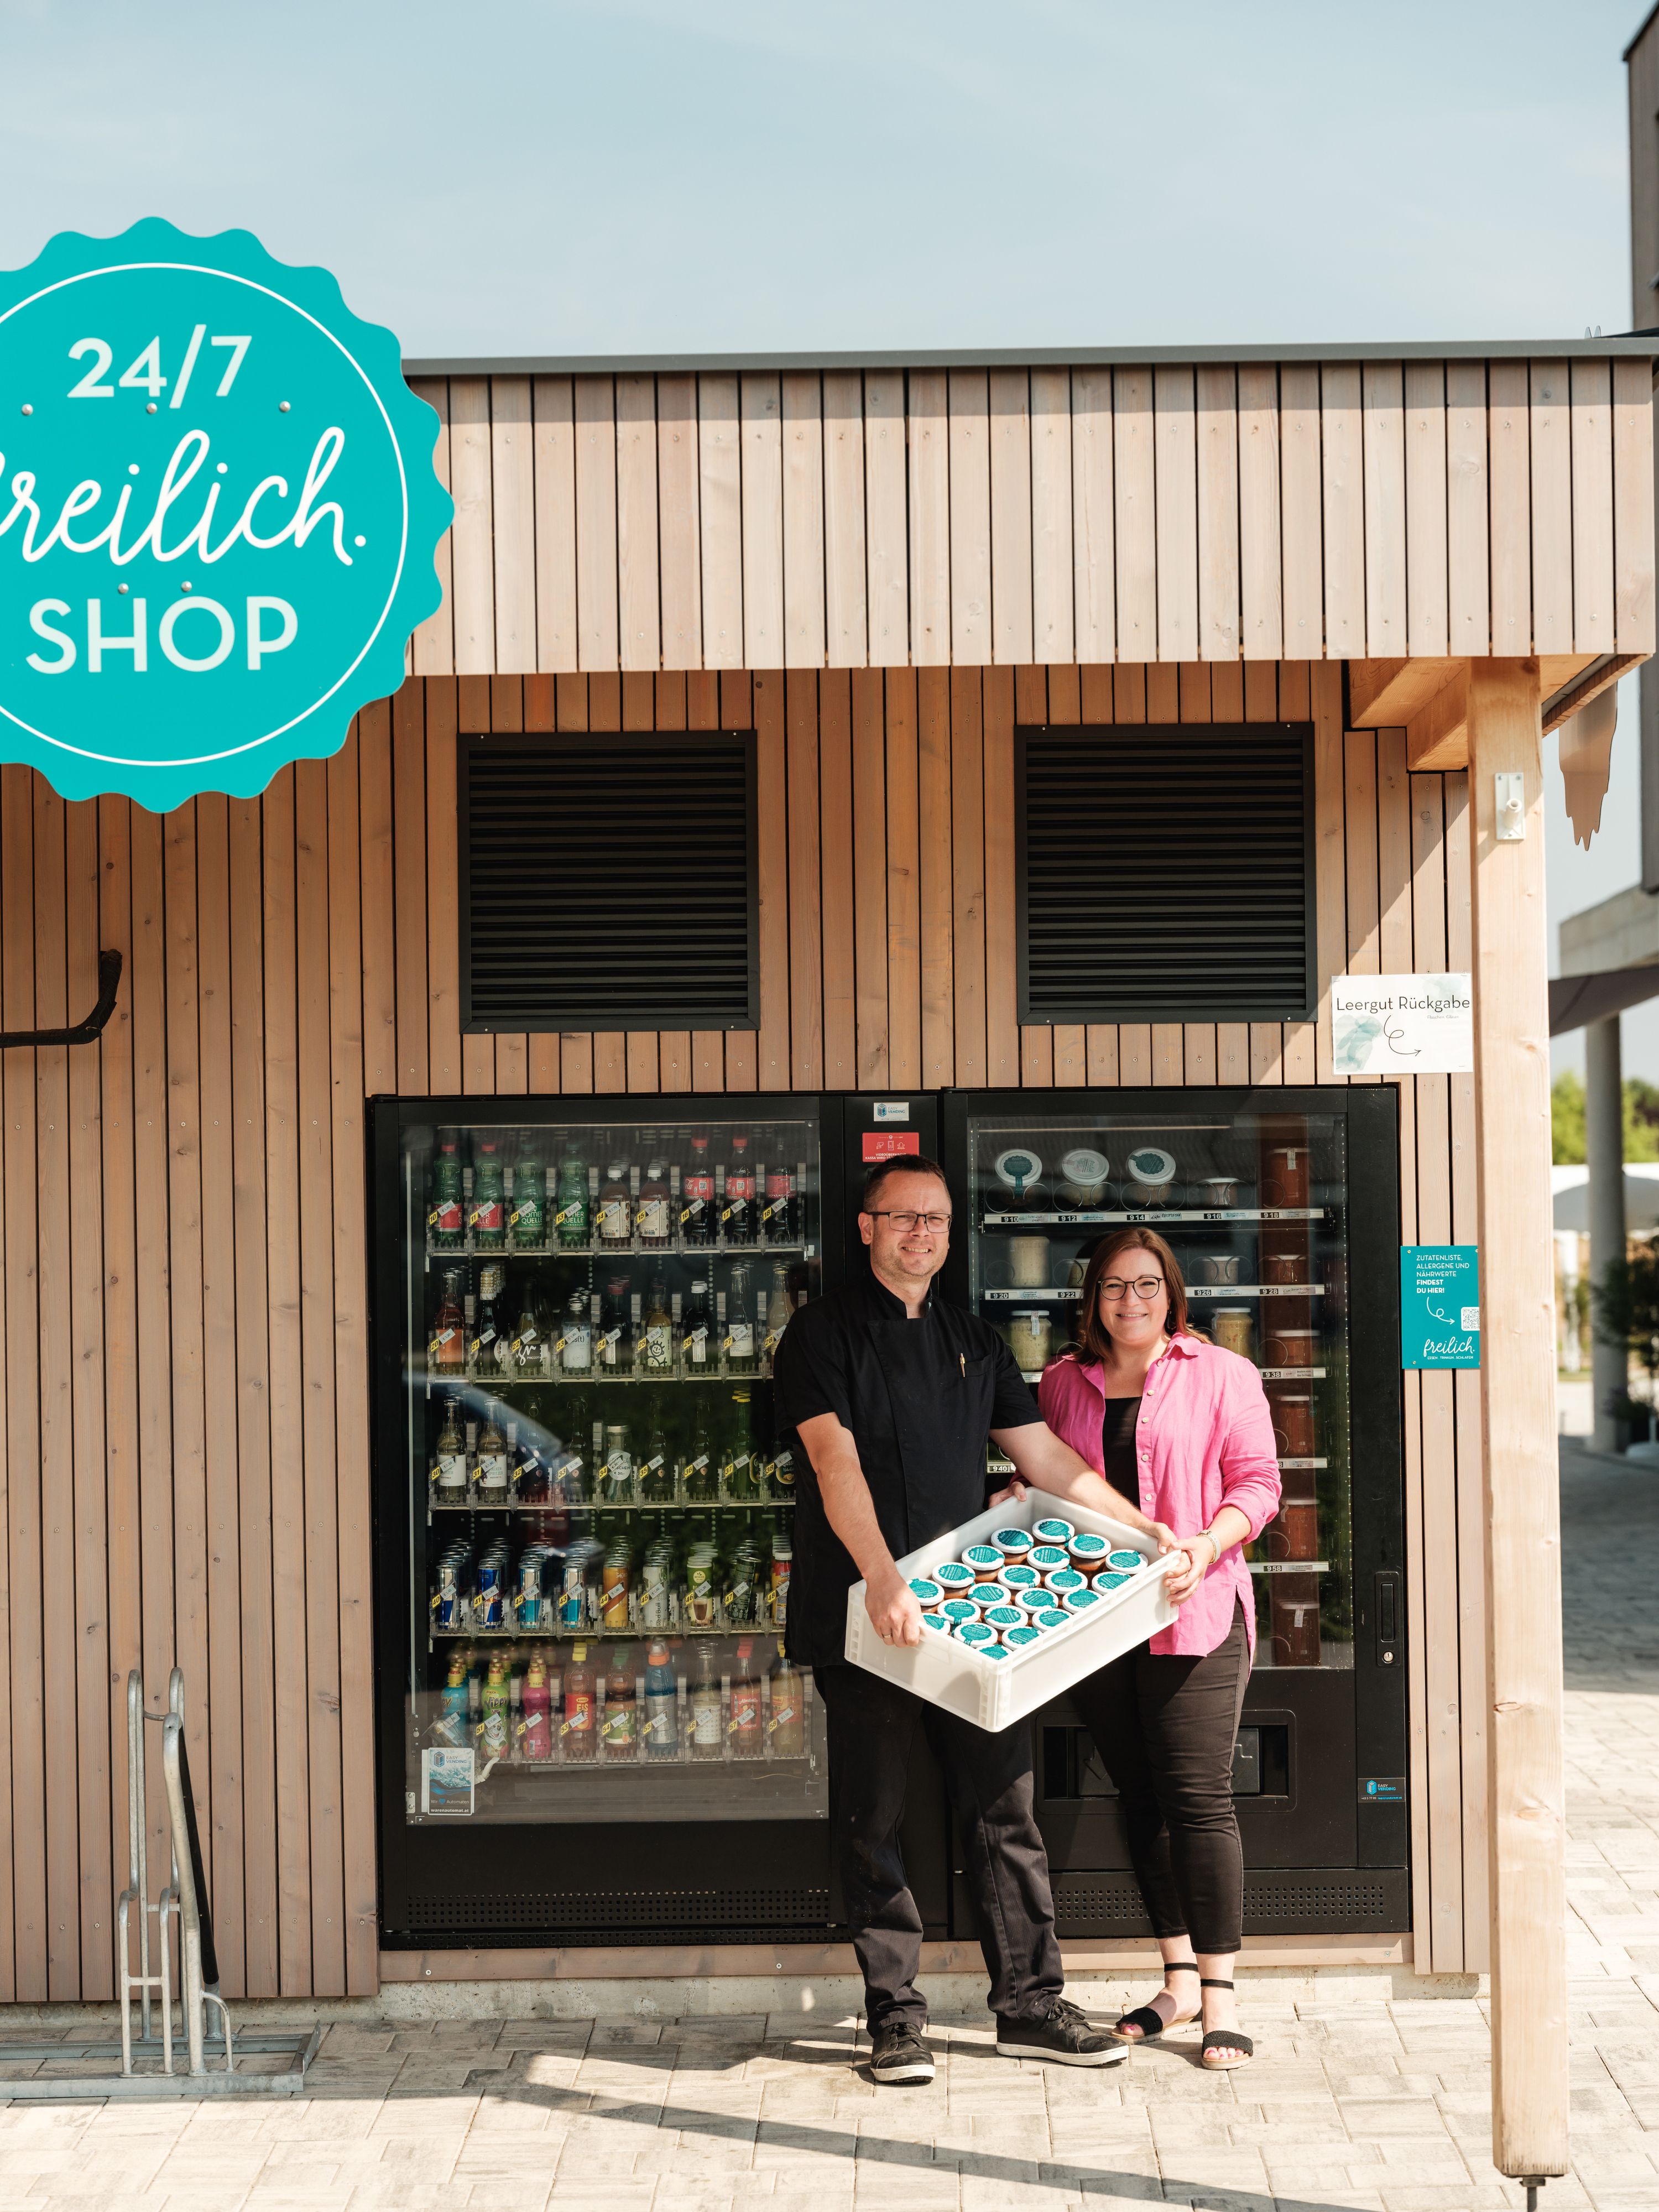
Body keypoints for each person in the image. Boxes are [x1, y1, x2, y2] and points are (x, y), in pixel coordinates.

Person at [773, 1155, 1199, 2087]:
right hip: (868, 1610)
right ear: (866, 1228)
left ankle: (1031, 2005)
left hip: (971, 1610)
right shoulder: (820, 1334)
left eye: (935, 1220)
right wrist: (882, 1575)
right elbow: (832, 1462)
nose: (921, 1234)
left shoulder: (975, 1340)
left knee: (1005, 1809)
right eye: (902, 1218)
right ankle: (894, 2019)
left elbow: (1043, 1456)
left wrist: (1142, 1527)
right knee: (874, 1816)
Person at [1035, 1227, 1281, 2069]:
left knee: (1197, 1799)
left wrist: (1205, 1548)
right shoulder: (1063, 1383)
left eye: (1146, 1286)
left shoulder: (1222, 1373)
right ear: (1091, 1297)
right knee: (1138, 1795)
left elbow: (1259, 1483)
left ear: (1172, 1294)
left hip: (1198, 1611)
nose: (1129, 1302)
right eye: (1113, 1287)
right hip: (1099, 1621)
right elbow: (1048, 1482)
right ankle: (1175, 1980)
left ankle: (1221, 1998)